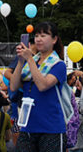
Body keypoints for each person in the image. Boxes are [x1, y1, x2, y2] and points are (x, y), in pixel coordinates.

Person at [10, 21, 69, 152]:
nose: (38, 39)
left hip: (51, 129)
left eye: (43, 35)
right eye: (37, 35)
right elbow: (13, 86)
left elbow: (43, 85)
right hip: (28, 127)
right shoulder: (29, 64)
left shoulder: (58, 65)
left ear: (54, 39)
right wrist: (21, 62)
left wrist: (30, 59)